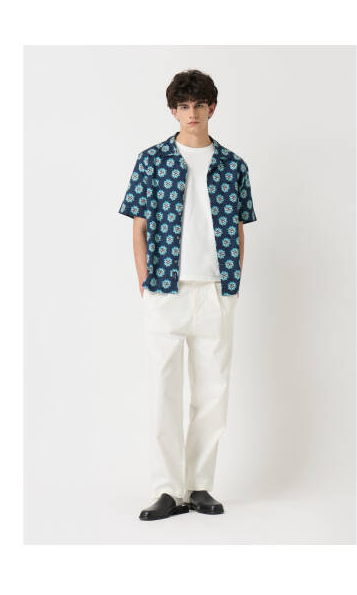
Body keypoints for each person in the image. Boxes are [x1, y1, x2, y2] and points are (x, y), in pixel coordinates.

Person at [118, 69, 258, 521]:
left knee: (213, 392)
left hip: (216, 291)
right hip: (164, 289)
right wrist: (144, 280)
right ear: (173, 111)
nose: (192, 113)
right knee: (164, 389)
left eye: (199, 105)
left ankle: (199, 486)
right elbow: (138, 226)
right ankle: (166, 489)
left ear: (212, 107)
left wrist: (233, 282)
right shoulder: (151, 160)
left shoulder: (234, 165)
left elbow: (239, 226)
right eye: (183, 106)